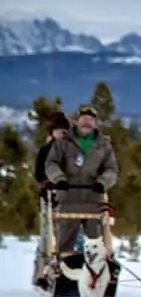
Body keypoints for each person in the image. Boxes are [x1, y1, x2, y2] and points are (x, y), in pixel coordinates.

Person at [45, 105, 119, 258]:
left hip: (93, 199)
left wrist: (103, 182)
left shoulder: (104, 145)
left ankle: (96, 275)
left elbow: (111, 169)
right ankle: (62, 273)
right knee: (64, 244)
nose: (87, 122)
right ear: (77, 121)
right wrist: (59, 179)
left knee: (96, 243)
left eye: (91, 120)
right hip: (68, 198)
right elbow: (51, 163)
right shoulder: (63, 143)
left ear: (95, 123)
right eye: (84, 119)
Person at [33, 112, 71, 287]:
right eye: (59, 131)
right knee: (48, 237)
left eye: (65, 131)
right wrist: (48, 183)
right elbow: (38, 173)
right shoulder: (46, 151)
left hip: (69, 199)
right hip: (49, 198)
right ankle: (41, 273)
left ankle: (69, 268)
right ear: (53, 132)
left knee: (69, 235)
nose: (62, 134)